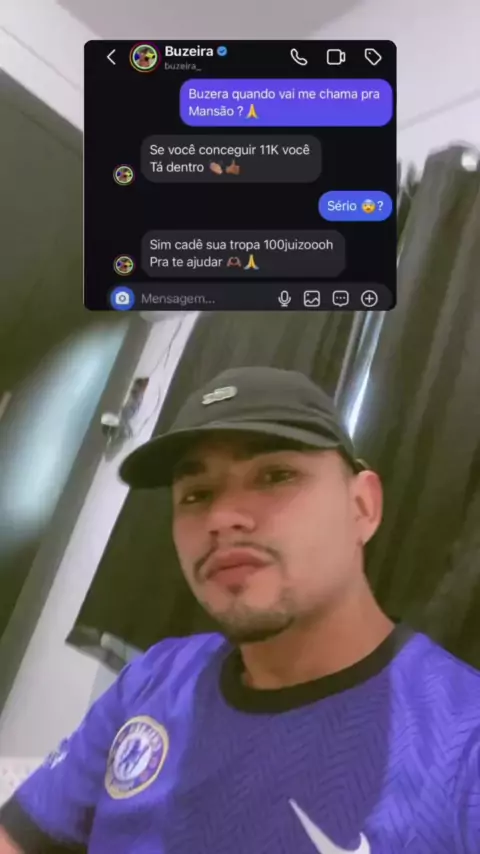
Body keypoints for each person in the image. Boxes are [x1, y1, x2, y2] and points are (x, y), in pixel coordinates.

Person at [1, 366, 479, 853]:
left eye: (275, 476)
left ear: (362, 508)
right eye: (197, 495)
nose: (221, 518)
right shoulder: (155, 679)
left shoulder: (463, 744)